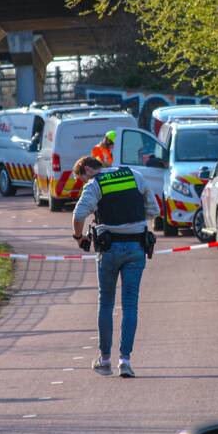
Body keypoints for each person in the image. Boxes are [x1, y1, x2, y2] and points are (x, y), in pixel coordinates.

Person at [72, 155, 158, 377]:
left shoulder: (95, 184)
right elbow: (153, 210)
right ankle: (125, 361)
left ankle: (105, 360)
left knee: (106, 303)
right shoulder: (133, 175)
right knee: (130, 304)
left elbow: (79, 214)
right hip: (137, 247)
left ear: (88, 169)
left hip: (109, 249)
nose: (83, 183)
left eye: (81, 178)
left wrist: (79, 236)